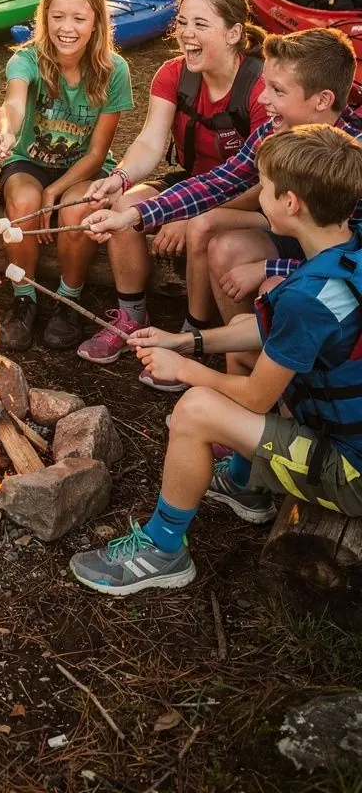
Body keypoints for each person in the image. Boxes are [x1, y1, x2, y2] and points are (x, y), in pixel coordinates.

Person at [69, 124, 362, 596]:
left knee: (195, 409)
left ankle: (163, 550)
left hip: (351, 472)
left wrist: (184, 371)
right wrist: (187, 342)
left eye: (263, 188)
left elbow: (257, 394)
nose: (256, 195)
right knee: (245, 352)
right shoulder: (343, 250)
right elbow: (266, 332)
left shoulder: (310, 298)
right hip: (344, 432)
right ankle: (246, 486)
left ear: (290, 204)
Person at [84, 28, 361, 375]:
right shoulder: (272, 133)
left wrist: (269, 269)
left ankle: (295, 380)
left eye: (277, 90)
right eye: (264, 86)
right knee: (227, 250)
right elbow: (217, 183)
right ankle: (245, 369)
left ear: (322, 100)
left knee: (275, 288)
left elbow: (355, 263)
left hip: (344, 270)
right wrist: (136, 214)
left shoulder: (350, 157)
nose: (262, 100)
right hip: (304, 245)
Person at [78, 0, 266, 376]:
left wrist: (185, 212)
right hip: (191, 181)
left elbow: (262, 182)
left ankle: (193, 333)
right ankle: (132, 316)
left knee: (200, 224)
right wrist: (123, 177)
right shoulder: (173, 74)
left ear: (234, 34)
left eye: (201, 24)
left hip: (252, 195)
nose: (186, 34)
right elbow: (150, 139)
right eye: (182, 23)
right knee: (127, 206)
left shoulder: (260, 87)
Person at [0, 0, 133, 352]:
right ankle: (24, 296)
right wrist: (5, 130)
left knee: (76, 208)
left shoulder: (114, 70)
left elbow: (98, 153)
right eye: (57, 17)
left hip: (84, 166)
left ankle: (67, 299)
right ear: (44, 17)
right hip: (30, 160)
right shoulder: (27, 60)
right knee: (22, 203)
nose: (66, 28)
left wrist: (54, 191)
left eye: (78, 19)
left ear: (97, 23)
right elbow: (13, 104)